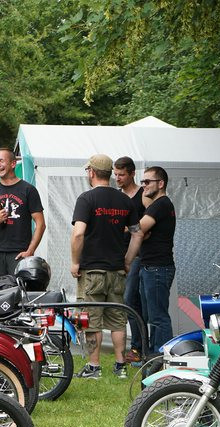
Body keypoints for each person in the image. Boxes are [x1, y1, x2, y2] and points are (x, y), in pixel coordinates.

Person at [71, 154, 142, 379]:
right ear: (110, 174)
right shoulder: (125, 201)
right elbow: (137, 233)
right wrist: (128, 261)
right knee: (117, 319)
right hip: (117, 271)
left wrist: (75, 261)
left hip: (92, 271)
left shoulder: (86, 199)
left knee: (92, 320)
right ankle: (121, 367)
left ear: (91, 172)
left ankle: (94, 367)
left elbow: (79, 233)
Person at [0, 148, 45, 278]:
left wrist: (30, 251)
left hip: (19, 254)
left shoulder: (28, 190)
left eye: (2, 161)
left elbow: (41, 224)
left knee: (19, 294)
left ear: (13, 164)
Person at [136, 166, 176, 354]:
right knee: (152, 316)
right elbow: (142, 232)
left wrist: (128, 229)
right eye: (142, 182)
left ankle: (163, 358)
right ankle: (153, 357)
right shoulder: (156, 205)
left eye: (147, 182)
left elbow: (139, 229)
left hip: (158, 268)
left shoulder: (161, 205)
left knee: (159, 317)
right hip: (150, 267)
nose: (143, 185)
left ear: (161, 184)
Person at [115, 156, 147, 364]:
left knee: (132, 301)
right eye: (115, 174)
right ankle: (140, 346)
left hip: (140, 255)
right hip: (120, 253)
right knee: (130, 301)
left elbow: (143, 227)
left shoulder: (143, 195)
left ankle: (139, 347)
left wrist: (127, 227)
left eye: (122, 175)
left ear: (132, 173)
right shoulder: (117, 197)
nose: (117, 178)